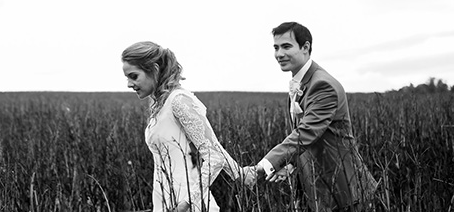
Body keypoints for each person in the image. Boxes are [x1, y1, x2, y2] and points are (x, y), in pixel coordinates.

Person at [248, 22, 377, 211]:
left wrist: (263, 165)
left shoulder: (322, 85)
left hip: (344, 191)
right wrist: (290, 165)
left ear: (305, 47)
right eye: (276, 47)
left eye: (286, 46)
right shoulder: (300, 81)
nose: (279, 54)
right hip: (318, 188)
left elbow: (306, 132)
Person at [122, 41, 245, 212]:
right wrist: (240, 174)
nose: (129, 84)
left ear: (154, 70)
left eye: (134, 76)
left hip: (187, 205)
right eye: (126, 77)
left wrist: (186, 203)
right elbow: (214, 146)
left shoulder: (179, 100)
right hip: (167, 201)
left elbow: (214, 156)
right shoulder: (159, 105)